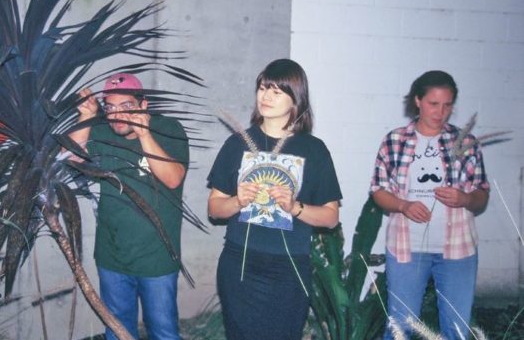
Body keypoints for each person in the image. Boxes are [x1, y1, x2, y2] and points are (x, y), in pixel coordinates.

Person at [207, 59, 341, 340]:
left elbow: (331, 218)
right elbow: (214, 208)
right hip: (240, 262)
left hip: (289, 267)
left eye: (276, 91)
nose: (266, 96)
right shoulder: (236, 144)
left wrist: (295, 207)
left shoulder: (314, 150)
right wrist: (238, 201)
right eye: (263, 88)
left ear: (296, 100)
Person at [370, 70, 489, 340]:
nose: (440, 112)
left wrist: (465, 199)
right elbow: (378, 191)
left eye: (447, 105)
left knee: (457, 329)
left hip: (458, 249)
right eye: (433, 104)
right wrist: (403, 205)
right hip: (406, 247)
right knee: (400, 327)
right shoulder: (394, 140)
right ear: (417, 101)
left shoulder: (466, 142)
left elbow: (482, 194)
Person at [69, 72, 189, 340]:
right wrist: (86, 117)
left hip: (157, 258)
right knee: (117, 331)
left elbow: (173, 179)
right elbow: (68, 160)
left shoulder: (168, 128)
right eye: (110, 107)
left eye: (126, 106)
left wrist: (145, 136)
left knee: (164, 332)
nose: (117, 115)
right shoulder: (101, 131)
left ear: (143, 105)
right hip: (112, 256)